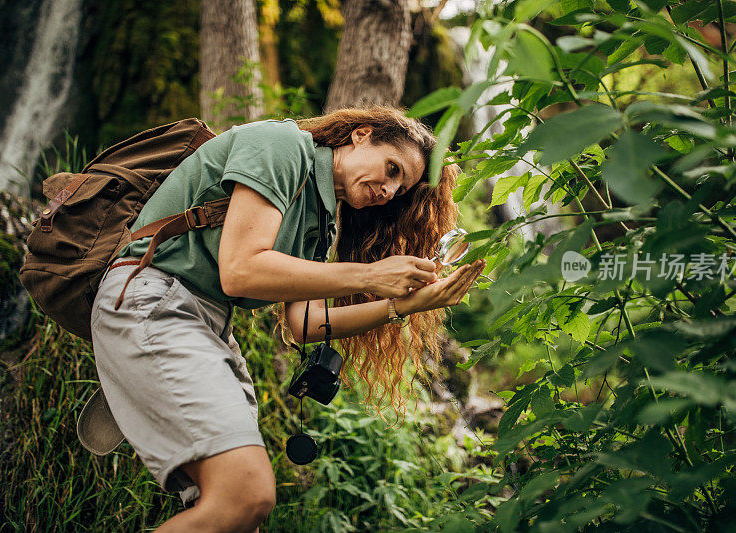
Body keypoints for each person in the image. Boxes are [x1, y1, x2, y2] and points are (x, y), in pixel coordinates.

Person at [88, 106, 486, 532]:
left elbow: (307, 323)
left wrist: (404, 306)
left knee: (242, 515)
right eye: (391, 169)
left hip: (208, 325)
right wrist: (373, 274)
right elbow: (240, 269)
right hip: (156, 297)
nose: (388, 190)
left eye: (399, 187)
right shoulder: (282, 146)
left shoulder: (322, 216)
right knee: (244, 494)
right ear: (361, 134)